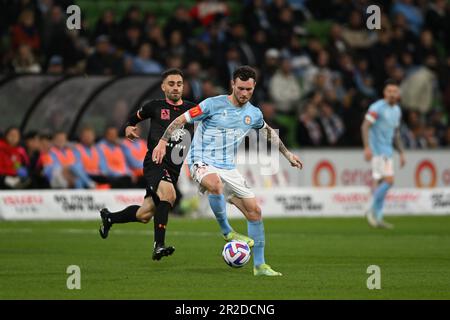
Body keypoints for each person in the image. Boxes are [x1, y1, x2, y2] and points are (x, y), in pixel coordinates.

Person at [152, 66, 303, 276]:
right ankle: (227, 232)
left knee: (255, 212)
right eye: (240, 88)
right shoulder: (212, 104)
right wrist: (162, 142)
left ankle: (260, 266)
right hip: (201, 161)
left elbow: (268, 132)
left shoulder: (253, 113)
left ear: (254, 87)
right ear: (233, 84)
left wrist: (288, 155)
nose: (244, 93)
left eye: (248, 89)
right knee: (215, 185)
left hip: (228, 167)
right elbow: (180, 120)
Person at [98, 68, 196, 261]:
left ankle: (109, 218)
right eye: (171, 84)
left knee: (145, 214)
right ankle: (158, 245)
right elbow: (132, 119)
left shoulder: (193, 110)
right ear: (163, 86)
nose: (175, 88)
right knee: (169, 194)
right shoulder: (154, 106)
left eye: (179, 84)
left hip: (173, 169)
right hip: (155, 163)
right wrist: (128, 128)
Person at [361, 79, 406, 229]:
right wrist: (367, 147)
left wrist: (402, 153)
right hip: (378, 151)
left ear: (398, 94)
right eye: (389, 91)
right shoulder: (377, 107)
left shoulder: (397, 110)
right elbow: (365, 126)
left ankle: (378, 217)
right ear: (384, 93)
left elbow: (396, 134)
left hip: (388, 151)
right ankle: (370, 207)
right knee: (389, 181)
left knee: (381, 184)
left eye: (395, 91)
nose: (392, 94)